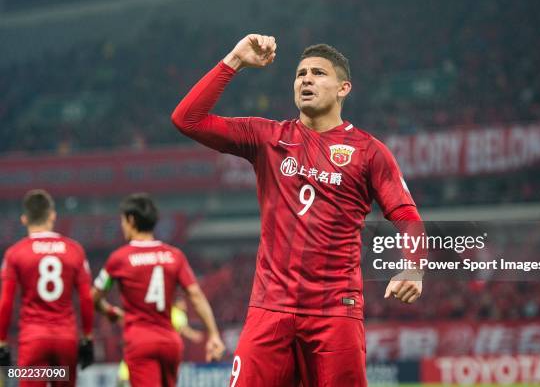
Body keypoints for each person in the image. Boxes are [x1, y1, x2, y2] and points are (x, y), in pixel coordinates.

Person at [171, 34, 423, 386]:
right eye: (300, 73)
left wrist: (413, 269)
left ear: (343, 88)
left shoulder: (369, 152)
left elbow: (408, 217)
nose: (306, 78)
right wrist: (234, 60)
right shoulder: (267, 137)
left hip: (335, 313)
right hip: (269, 311)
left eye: (318, 73)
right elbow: (188, 120)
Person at [92, 193, 225, 387]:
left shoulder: (120, 259)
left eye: (123, 221)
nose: (122, 226)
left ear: (131, 220)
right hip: (170, 342)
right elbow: (195, 295)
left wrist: (110, 312)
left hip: (140, 341)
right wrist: (213, 333)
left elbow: (94, 297)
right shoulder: (174, 256)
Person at [0, 189, 94, 387]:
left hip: (34, 341)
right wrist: (87, 337)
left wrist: (2, 341)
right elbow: (86, 298)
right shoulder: (74, 249)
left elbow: (6, 301)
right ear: (52, 215)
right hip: (65, 341)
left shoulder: (15, 253)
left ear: (24, 219)